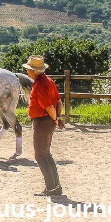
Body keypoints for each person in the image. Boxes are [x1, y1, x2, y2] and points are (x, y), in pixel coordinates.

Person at [24, 54, 65, 196]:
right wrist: (57, 118)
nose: (27, 71)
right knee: (46, 154)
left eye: (29, 69)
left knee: (40, 156)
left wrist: (55, 119)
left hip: (43, 121)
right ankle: (55, 186)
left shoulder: (40, 84)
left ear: (34, 71)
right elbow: (59, 102)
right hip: (48, 121)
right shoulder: (49, 81)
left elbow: (48, 106)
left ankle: (51, 188)